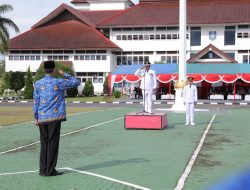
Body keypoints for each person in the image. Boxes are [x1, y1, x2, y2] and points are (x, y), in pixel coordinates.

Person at [33, 60, 80, 176]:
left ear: (44, 70)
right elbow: (76, 82)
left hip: (42, 117)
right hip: (54, 117)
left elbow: (36, 101)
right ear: (54, 70)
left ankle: (43, 170)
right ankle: (50, 170)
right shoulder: (58, 82)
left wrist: (36, 117)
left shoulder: (38, 83)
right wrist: (63, 73)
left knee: (44, 143)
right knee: (53, 143)